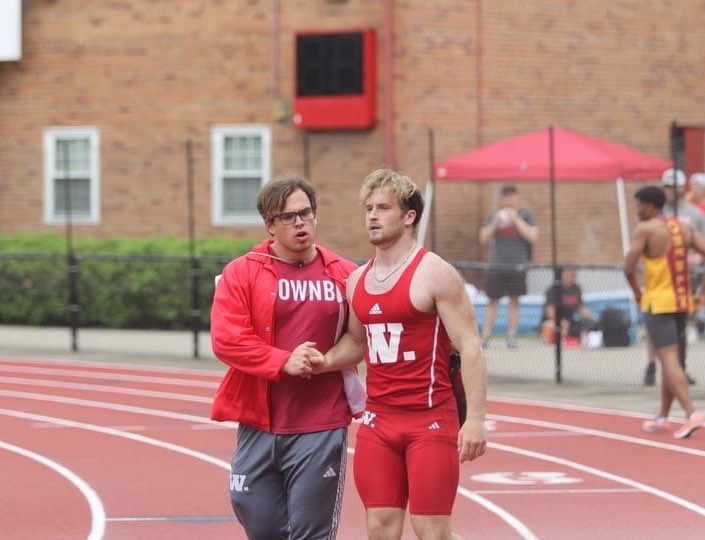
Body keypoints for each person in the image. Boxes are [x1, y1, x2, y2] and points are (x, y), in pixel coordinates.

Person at [310, 168, 487, 540]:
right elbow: (357, 343)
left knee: (432, 531)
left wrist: (475, 421)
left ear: (409, 216)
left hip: (430, 421)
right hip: (379, 422)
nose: (372, 216)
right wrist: (324, 361)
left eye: (383, 208)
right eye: (368, 208)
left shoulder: (435, 273)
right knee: (380, 528)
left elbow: (470, 346)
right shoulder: (358, 280)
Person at [209, 175, 365, 539]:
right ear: (269, 224)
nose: (300, 223)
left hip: (321, 423)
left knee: (310, 533)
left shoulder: (345, 275)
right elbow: (227, 339)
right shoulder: (242, 272)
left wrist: (325, 361)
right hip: (260, 422)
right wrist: (282, 361)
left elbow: (360, 339)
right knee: (261, 526)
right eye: (288, 217)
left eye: (306, 213)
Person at [624, 184, 704, 439]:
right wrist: (701, 292)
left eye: (639, 205)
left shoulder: (646, 229)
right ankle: (663, 416)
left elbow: (628, 267)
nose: (637, 210)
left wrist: (637, 292)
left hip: (658, 301)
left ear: (650, 205)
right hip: (682, 301)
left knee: (668, 358)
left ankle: (692, 413)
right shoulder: (685, 226)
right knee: (674, 361)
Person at [642, 168, 704, 385]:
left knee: (680, 327)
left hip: (683, 279)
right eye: (666, 186)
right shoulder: (657, 213)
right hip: (659, 280)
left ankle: (680, 368)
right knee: (654, 326)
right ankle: (652, 365)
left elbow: (701, 245)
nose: (670, 190)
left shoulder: (693, 214)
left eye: (673, 186)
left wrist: (693, 260)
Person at [478, 184, 539, 349]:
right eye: (507, 197)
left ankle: (511, 336)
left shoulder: (525, 215)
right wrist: (495, 224)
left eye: (513, 197)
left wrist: (516, 219)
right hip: (497, 266)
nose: (510, 200)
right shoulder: (494, 215)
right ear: (502, 199)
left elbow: (533, 236)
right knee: (493, 301)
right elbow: (483, 237)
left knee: (514, 302)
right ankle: (485, 335)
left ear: (517, 198)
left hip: (517, 266)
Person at [540, 265, 596, 342]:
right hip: (554, 321)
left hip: (570, 321)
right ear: (562, 275)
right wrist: (561, 321)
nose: (571, 277)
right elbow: (550, 312)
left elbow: (580, 308)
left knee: (588, 323)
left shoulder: (576, 288)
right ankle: (553, 338)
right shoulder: (553, 289)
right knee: (551, 326)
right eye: (568, 274)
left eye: (573, 275)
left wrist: (591, 317)